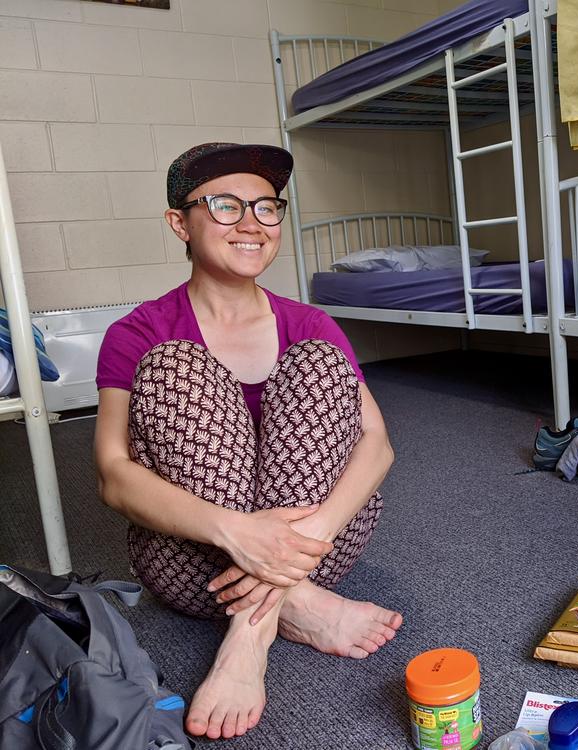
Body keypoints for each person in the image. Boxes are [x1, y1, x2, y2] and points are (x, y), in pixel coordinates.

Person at [93, 143, 402, 740]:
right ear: (180, 222)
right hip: (193, 559)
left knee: (316, 360)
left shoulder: (309, 323)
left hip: (319, 545)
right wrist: (238, 532)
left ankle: (250, 637)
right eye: (226, 206)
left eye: (266, 208)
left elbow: (377, 444)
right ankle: (300, 605)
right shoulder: (139, 332)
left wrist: (305, 537)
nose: (251, 224)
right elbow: (113, 472)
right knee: (177, 365)